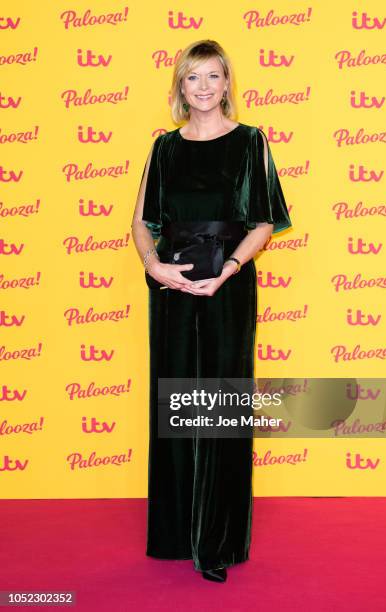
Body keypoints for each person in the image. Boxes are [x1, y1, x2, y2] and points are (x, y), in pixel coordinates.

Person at [131, 39, 292, 583]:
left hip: (228, 286)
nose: (202, 87)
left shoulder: (250, 143)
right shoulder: (165, 149)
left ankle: (217, 541)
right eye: (192, 78)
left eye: (213, 77)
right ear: (180, 87)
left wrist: (230, 270)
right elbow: (141, 222)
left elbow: (265, 222)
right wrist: (154, 265)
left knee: (219, 407)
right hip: (172, 289)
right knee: (176, 404)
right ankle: (176, 533)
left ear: (227, 84)